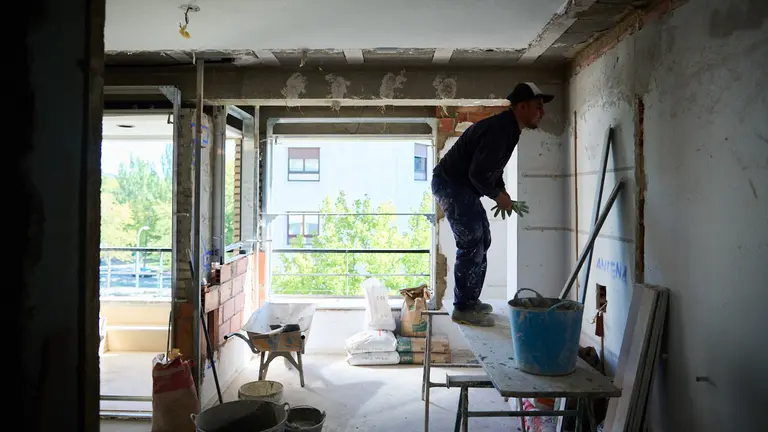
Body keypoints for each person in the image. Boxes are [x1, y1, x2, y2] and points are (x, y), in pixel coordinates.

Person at [431, 82, 554, 327]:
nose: (543, 113)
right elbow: (478, 174)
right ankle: (463, 308)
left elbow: (491, 168)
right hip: (452, 185)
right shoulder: (500, 130)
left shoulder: (510, 129)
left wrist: (502, 191)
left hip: (459, 186)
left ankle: (470, 301)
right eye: (538, 107)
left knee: (482, 238)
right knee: (472, 241)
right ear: (522, 106)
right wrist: (499, 197)